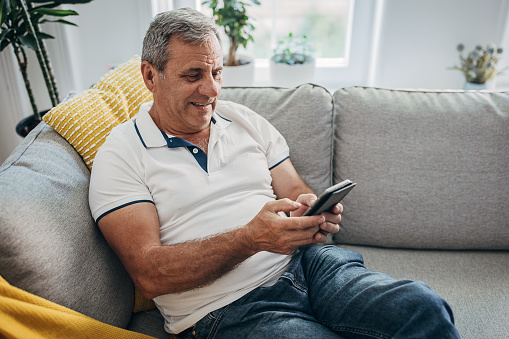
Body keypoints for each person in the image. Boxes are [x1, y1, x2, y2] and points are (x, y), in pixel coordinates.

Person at [89, 8, 460, 339]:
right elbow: (149, 275)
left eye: (216, 72)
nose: (212, 89)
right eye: (193, 75)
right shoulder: (121, 154)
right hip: (227, 310)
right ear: (150, 76)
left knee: (424, 307)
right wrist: (251, 238)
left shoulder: (243, 120)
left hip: (313, 266)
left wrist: (311, 209)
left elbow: (295, 188)